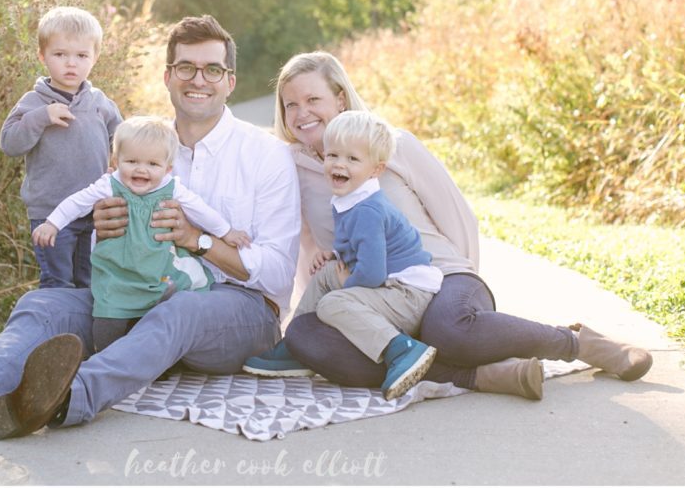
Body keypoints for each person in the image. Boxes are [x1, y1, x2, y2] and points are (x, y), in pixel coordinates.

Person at [0, 14, 301, 440]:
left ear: (230, 80)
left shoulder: (265, 155)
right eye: (186, 68)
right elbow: (103, 246)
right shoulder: (139, 145)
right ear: (167, 76)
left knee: (180, 314)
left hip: (237, 311)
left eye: (212, 69)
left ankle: (65, 398)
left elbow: (277, 275)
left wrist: (197, 240)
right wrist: (105, 228)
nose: (198, 80)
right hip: (138, 292)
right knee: (47, 302)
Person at [272, 51, 653, 401]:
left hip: (439, 280)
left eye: (312, 100)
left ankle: (577, 343)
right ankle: (486, 375)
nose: (301, 112)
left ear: (339, 98)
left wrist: (456, 289)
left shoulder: (394, 146)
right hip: (372, 297)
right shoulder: (296, 170)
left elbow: (456, 216)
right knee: (306, 336)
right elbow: (311, 247)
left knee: (448, 330)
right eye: (291, 104)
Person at [244, 110, 443, 400]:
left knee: (332, 303)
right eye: (333, 155)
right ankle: (293, 348)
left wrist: (347, 287)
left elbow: (372, 274)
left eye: (352, 159)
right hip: (390, 285)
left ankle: (400, 348)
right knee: (328, 274)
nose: (339, 164)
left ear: (376, 170)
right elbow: (363, 245)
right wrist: (334, 254)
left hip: (406, 294)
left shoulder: (367, 211)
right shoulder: (350, 199)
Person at [32, 115, 252, 352]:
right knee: (107, 327)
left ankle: (154, 362)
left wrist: (226, 232)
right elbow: (77, 203)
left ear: (167, 168)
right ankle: (104, 358)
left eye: (152, 164)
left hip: (155, 273)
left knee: (155, 324)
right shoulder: (109, 184)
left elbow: (201, 211)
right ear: (116, 161)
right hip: (116, 274)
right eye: (132, 161)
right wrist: (52, 223)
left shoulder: (172, 188)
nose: (141, 169)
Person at [0, 6, 122, 289]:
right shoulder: (34, 102)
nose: (71, 64)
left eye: (81, 56)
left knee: (89, 281)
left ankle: (84, 332)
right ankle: (56, 329)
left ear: (95, 58)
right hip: (51, 213)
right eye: (60, 54)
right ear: (42, 56)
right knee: (58, 282)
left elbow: (122, 137)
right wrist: (42, 118)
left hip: (94, 210)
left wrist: (119, 160)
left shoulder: (99, 102)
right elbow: (9, 143)